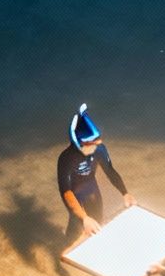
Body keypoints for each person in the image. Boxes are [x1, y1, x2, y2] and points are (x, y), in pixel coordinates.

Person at [55, 103, 135, 249]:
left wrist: (125, 193)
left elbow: (110, 171)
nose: (96, 147)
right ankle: (65, 251)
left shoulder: (99, 149)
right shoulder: (66, 159)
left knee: (97, 222)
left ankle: (94, 249)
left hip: (92, 189)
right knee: (76, 227)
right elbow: (66, 192)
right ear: (80, 143)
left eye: (97, 143)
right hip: (75, 196)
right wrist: (84, 217)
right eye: (92, 144)